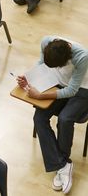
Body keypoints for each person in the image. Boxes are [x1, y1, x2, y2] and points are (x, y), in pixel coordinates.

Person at [16, 36, 88, 194]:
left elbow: (72, 91)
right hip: (60, 83)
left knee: (65, 118)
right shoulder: (45, 42)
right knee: (39, 118)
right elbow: (41, 65)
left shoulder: (82, 57)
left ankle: (62, 162)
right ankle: (63, 165)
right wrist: (28, 78)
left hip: (83, 89)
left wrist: (40, 96)